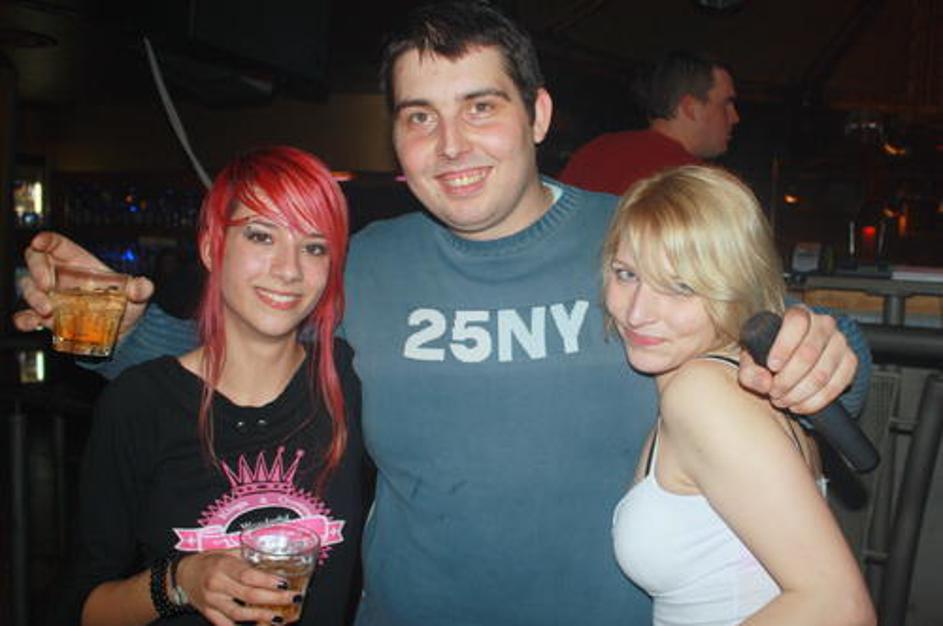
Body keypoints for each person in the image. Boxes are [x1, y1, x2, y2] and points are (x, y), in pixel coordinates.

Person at [16, 3, 869, 625]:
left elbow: (787, 339)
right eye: (420, 117)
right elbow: (237, 364)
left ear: (537, 115)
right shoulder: (365, 262)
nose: (451, 144)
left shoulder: (633, 240)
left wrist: (832, 353)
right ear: (396, 138)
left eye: (480, 107)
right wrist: (111, 327)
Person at [53, 146, 367, 626]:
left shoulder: (349, 382)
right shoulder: (140, 401)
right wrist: (180, 581)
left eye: (314, 247)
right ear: (211, 247)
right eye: (262, 236)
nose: (289, 269)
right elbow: (82, 609)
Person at [605, 165, 875, 625]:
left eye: (681, 287)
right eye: (626, 274)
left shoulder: (704, 394)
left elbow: (840, 607)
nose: (637, 312)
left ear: (735, 287)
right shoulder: (745, 378)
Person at [559, 50, 739, 195]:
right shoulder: (695, 182)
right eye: (726, 104)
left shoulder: (596, 150)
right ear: (690, 107)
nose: (735, 117)